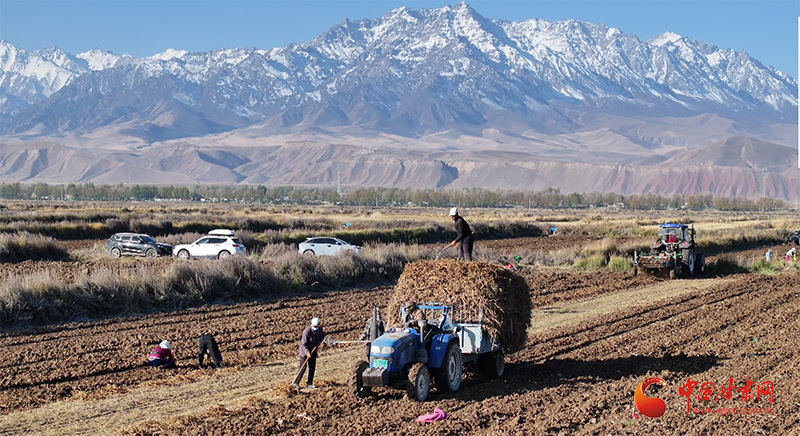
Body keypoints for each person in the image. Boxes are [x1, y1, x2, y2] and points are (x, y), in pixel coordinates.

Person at [294, 317, 326, 390]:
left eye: (316, 326)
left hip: (313, 351)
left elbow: (322, 336)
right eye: (314, 326)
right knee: (303, 367)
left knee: (312, 368)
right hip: (304, 352)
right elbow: (303, 344)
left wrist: (321, 341)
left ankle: (309, 383)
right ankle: (296, 383)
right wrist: (307, 353)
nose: (315, 327)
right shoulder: (307, 331)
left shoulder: (320, 329)